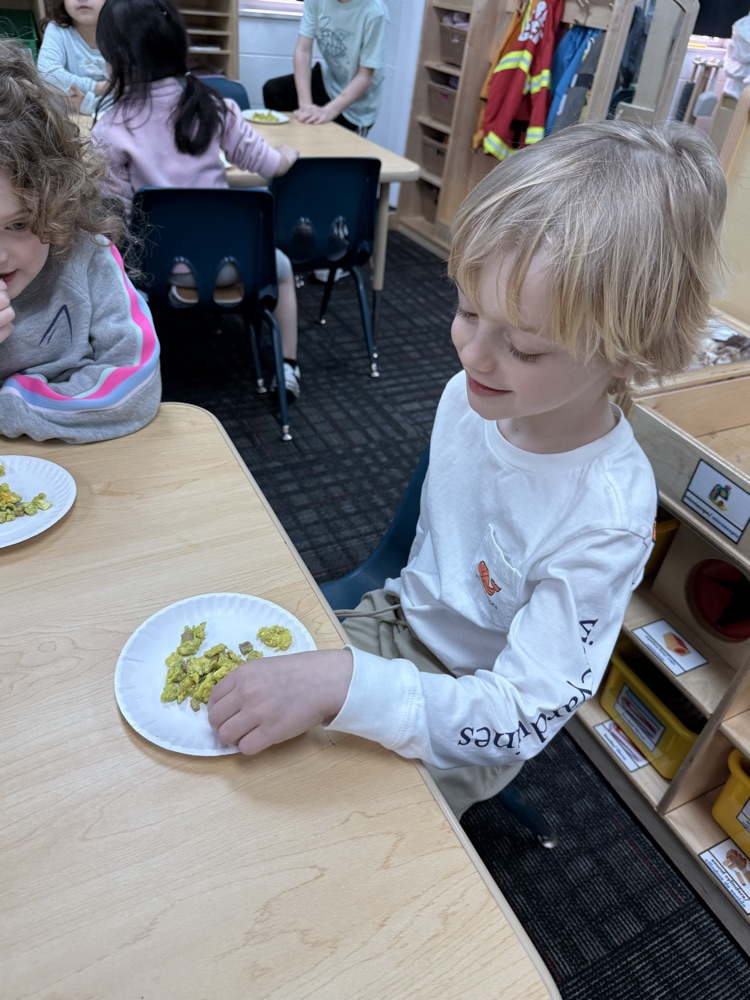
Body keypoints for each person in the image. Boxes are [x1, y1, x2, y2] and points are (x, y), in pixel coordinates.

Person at [206, 120, 726, 819]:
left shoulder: (604, 517)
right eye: (465, 307)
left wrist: (349, 686)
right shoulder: (472, 396)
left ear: (630, 354)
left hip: (473, 706)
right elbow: (434, 561)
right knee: (228, 748)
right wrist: (352, 670)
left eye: (523, 347)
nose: (471, 354)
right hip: (395, 620)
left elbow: (523, 714)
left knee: (321, 834)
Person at [91, 0, 303, 401]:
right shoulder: (214, 106)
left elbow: (115, 219)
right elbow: (269, 164)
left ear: (114, 58)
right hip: (233, 266)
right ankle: (288, 367)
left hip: (156, 275)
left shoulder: (109, 128)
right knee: (284, 268)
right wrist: (288, 155)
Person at [0, 39, 161, 445]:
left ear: (57, 203)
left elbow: (135, 385)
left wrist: (10, 406)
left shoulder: (86, 254)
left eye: (19, 224)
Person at [262, 0, 387, 137]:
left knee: (327, 146)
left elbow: (365, 76)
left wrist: (328, 111)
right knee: (274, 90)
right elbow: (303, 51)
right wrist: (305, 106)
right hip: (329, 82)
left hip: (356, 104)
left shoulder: (375, 12)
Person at [37, 0, 108, 116]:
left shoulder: (123, 32)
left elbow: (132, 94)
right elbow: (47, 74)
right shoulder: (57, 29)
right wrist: (96, 87)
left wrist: (86, 104)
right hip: (70, 119)